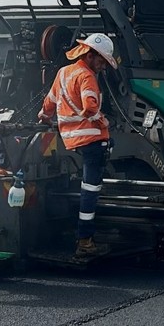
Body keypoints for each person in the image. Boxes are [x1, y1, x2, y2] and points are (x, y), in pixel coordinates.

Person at [39, 33, 118, 258]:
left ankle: (81, 235)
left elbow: (49, 103)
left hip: (72, 141)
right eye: (101, 61)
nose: (103, 66)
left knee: (84, 188)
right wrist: (103, 120)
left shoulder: (63, 73)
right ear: (90, 55)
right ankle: (85, 241)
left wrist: (44, 116)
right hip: (93, 140)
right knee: (90, 191)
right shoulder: (87, 76)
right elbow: (90, 107)